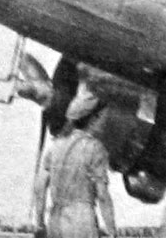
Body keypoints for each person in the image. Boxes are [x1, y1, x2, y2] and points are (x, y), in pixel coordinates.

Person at [34, 70, 116, 238]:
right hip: (81, 220)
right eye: (101, 117)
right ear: (94, 118)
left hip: (55, 219)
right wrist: (112, 231)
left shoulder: (54, 146)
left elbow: (40, 187)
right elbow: (102, 195)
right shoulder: (94, 148)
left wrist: (40, 223)